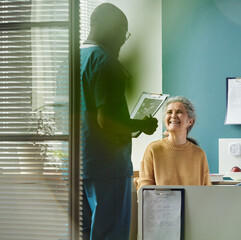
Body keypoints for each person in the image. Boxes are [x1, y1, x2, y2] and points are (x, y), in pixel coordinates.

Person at [80, 3, 158, 240]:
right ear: (112, 28)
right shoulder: (105, 62)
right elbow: (109, 121)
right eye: (123, 33)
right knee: (110, 234)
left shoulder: (71, 60)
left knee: (82, 233)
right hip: (108, 167)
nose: (124, 41)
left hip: (78, 165)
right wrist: (141, 125)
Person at [136, 96, 212, 190]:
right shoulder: (153, 149)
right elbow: (145, 189)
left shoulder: (199, 154)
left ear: (190, 121)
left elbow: (207, 191)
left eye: (179, 112)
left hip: (194, 205)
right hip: (160, 204)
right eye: (169, 112)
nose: (173, 115)